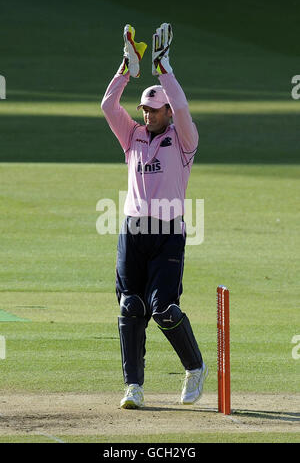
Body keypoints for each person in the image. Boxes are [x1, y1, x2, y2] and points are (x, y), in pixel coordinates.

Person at [101, 23, 207, 409]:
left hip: (167, 234)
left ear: (166, 111)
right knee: (131, 306)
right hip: (133, 231)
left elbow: (182, 107)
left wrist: (165, 69)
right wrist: (126, 69)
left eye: (153, 109)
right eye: (144, 109)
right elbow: (108, 106)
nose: (147, 115)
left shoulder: (183, 140)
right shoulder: (132, 136)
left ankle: (194, 368)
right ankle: (134, 387)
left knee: (164, 308)